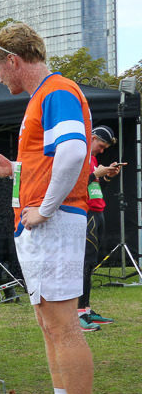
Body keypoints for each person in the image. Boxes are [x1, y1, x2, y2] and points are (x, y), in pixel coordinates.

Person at [0, 22, 103, 394]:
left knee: (63, 324)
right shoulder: (47, 95)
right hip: (47, 221)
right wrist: (11, 168)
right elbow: (53, 158)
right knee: (51, 324)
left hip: (55, 221)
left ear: (12, 59)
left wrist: (46, 209)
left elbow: (73, 152)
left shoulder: (56, 91)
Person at [77, 125, 122, 330]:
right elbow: (73, 185)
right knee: (84, 264)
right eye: (101, 146)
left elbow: (93, 187)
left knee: (90, 263)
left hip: (97, 212)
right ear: (92, 137)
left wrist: (106, 176)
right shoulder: (78, 154)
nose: (102, 150)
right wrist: (96, 175)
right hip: (85, 214)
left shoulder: (92, 159)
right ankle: (78, 312)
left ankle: (86, 309)